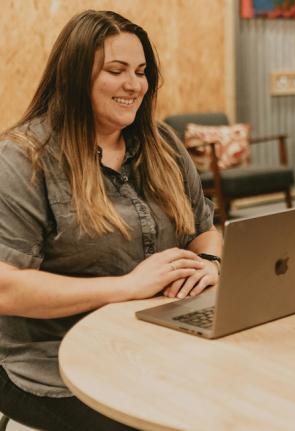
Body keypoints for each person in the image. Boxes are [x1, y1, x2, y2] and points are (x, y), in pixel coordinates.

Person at [0, 10, 222, 430]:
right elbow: (6, 288)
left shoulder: (162, 145)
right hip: (57, 362)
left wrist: (210, 266)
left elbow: (204, 231)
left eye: (141, 72)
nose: (134, 85)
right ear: (74, 77)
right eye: (116, 70)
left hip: (161, 339)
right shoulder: (23, 158)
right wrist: (126, 288)